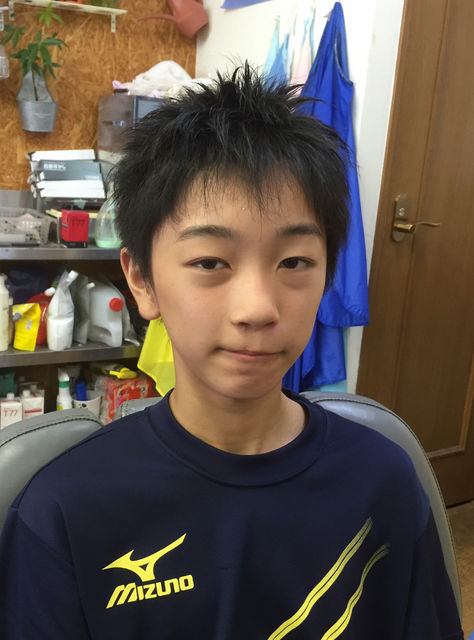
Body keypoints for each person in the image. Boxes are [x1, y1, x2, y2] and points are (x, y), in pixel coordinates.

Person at [0, 64, 463, 640]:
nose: (257, 308)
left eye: (294, 262)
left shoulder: (382, 481)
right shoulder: (65, 510)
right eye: (210, 262)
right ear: (142, 280)